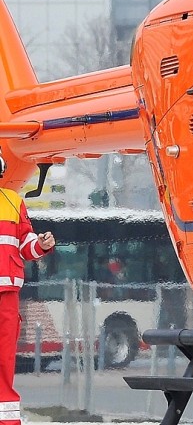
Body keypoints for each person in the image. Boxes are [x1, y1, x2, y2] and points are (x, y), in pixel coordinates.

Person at [0, 150, 55, 425]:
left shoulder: (12, 201)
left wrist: (41, 244)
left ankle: (6, 420)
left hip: (7, 295)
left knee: (4, 360)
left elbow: (25, 244)